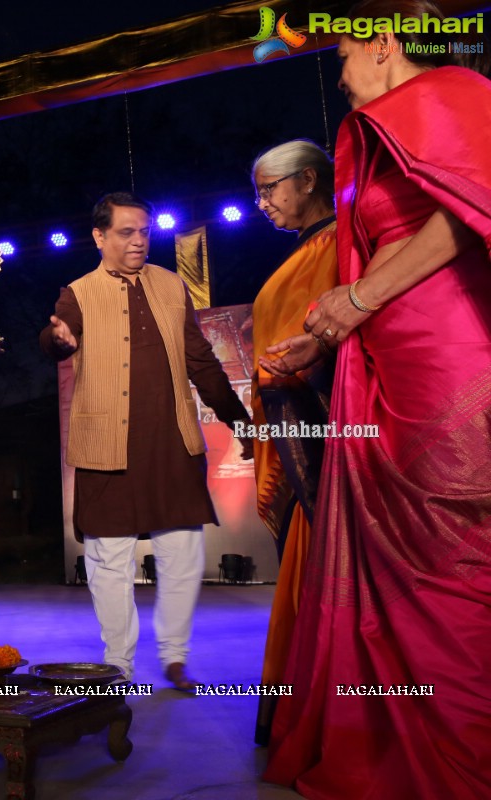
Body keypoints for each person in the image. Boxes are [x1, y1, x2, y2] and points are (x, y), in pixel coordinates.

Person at [263, 2, 491, 797]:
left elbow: (470, 215)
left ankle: (465, 758)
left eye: (344, 58)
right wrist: (326, 334)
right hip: (389, 357)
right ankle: (397, 745)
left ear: (385, 43)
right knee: (401, 567)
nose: (341, 72)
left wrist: (358, 300)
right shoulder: (392, 124)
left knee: (447, 555)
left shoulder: (452, 94)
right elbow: (393, 243)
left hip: (447, 359)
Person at [39, 192, 252, 689]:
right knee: (108, 559)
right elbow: (53, 338)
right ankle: (119, 664)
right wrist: (59, 341)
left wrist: (239, 421)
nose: (138, 241)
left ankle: (175, 657)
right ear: (100, 237)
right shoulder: (78, 292)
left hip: (170, 439)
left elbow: (200, 360)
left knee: (182, 554)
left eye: (144, 231)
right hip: (106, 443)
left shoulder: (172, 286)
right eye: (126, 232)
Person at [245, 140, 339, 744]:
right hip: (288, 416)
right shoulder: (312, 248)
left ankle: (329, 707)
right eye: (258, 192)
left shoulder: (336, 245)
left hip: (316, 422)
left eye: (270, 189)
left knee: (325, 556)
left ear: (307, 180)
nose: (262, 203)